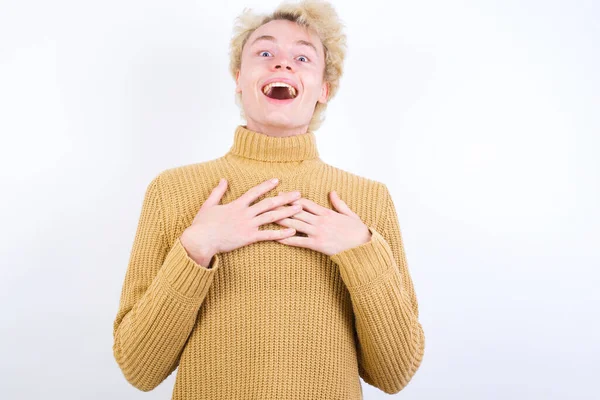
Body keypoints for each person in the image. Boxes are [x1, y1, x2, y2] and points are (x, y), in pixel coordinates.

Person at [112, 0, 425, 398]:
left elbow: (394, 374)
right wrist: (197, 246)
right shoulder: (173, 191)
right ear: (239, 78)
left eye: (302, 57)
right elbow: (139, 368)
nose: (282, 65)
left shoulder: (368, 200)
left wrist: (362, 252)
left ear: (324, 89)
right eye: (265, 52)